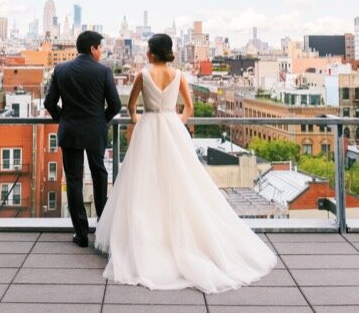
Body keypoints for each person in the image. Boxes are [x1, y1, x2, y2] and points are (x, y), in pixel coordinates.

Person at [95, 33, 277, 293]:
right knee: (182, 183)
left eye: (148, 49)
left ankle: (148, 242)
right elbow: (189, 108)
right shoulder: (179, 75)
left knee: (143, 185)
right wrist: (175, 122)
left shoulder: (142, 75)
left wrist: (136, 120)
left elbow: (132, 106)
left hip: (149, 128)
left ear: (152, 53)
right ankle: (180, 239)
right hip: (171, 127)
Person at [45, 30, 122, 248]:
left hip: (70, 131)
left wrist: (64, 119)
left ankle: (81, 234)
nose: (101, 52)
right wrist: (100, 120)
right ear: (92, 49)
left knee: (74, 181)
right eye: (100, 48)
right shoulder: (103, 72)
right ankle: (103, 227)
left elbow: (49, 103)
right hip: (95, 132)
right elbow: (115, 105)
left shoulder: (61, 70)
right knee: (99, 176)